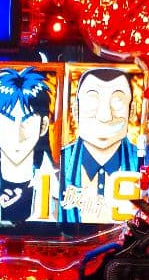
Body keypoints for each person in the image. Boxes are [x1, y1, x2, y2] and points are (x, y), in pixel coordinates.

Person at [0, 66, 58, 223]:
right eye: (8, 121)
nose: (18, 135)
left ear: (43, 126)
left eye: (28, 121)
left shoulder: (63, 183)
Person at [59, 67, 141, 223]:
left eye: (118, 101)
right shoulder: (58, 163)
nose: (105, 116)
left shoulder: (145, 164)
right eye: (92, 100)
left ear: (131, 111)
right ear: (76, 110)